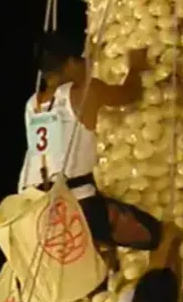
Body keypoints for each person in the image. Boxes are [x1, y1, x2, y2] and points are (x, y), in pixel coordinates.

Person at [18, 33, 167, 265]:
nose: (89, 65)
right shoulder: (83, 92)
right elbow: (130, 93)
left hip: (36, 208)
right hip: (76, 204)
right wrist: (136, 67)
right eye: (84, 60)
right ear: (70, 63)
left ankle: (101, 253)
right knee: (156, 235)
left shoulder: (32, 104)